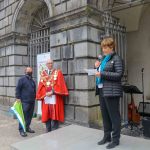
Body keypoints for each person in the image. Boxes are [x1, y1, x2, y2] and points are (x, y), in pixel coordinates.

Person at [95, 37, 124, 149]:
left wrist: (102, 74)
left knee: (114, 116)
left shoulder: (117, 59)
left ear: (111, 47)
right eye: (102, 47)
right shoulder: (104, 59)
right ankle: (107, 136)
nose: (103, 49)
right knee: (105, 115)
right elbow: (101, 71)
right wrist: (96, 67)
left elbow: (118, 75)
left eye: (105, 47)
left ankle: (115, 139)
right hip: (102, 89)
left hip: (112, 91)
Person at [36, 59, 68, 132]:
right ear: (46, 65)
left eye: (51, 63)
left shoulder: (58, 72)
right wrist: (45, 93)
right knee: (47, 113)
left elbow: (61, 84)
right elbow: (40, 86)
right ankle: (48, 129)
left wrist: (53, 92)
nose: (50, 64)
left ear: (53, 64)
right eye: (48, 63)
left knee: (55, 113)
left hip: (55, 96)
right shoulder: (43, 74)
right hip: (46, 97)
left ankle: (55, 130)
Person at [16, 67, 36, 137]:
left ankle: (27, 127)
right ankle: (21, 130)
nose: (30, 72)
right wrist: (18, 97)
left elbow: (34, 90)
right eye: (29, 71)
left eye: (31, 71)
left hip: (32, 101)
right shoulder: (21, 79)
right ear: (25, 72)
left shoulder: (32, 81)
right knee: (23, 116)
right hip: (24, 101)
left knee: (29, 116)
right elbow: (18, 88)